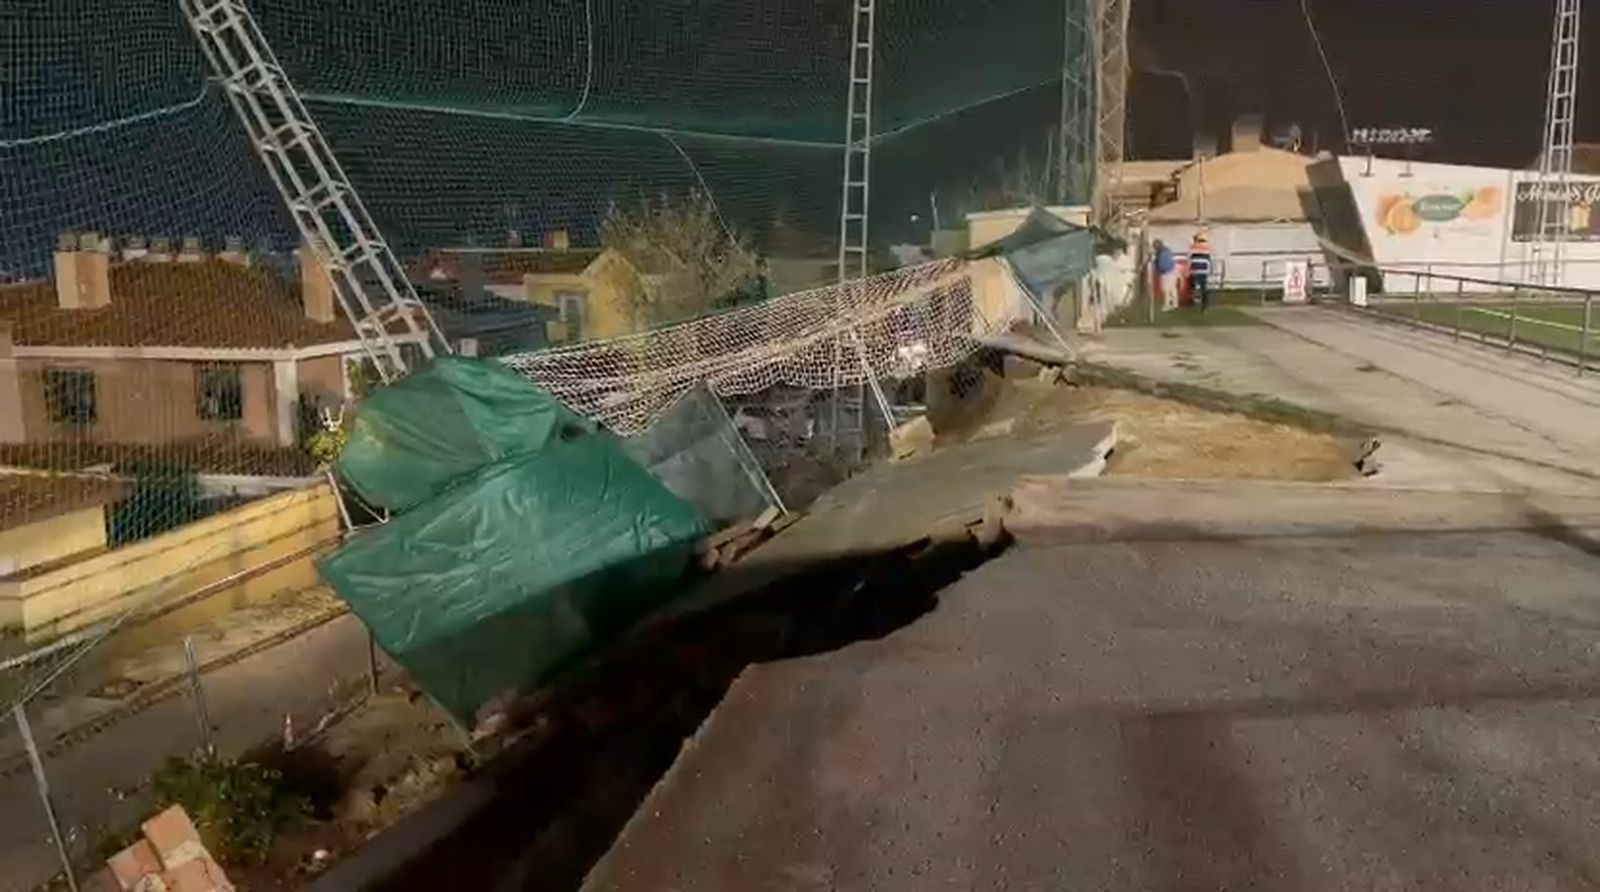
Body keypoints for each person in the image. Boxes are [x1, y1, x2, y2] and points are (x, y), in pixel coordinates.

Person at [1187, 232, 1213, 313]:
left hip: (1196, 270)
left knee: (1193, 286)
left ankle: (1196, 300)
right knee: (1203, 288)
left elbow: (1190, 259)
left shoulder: (1193, 247)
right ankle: (1204, 306)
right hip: (1203, 271)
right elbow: (1209, 260)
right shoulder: (1207, 248)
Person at [1152, 239, 1178, 311]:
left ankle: (1167, 305)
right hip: (1172, 271)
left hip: (1166, 272)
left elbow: (1159, 264)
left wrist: (1158, 272)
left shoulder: (1160, 253)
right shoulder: (1168, 251)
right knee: (1172, 289)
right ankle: (1175, 304)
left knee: (1166, 290)